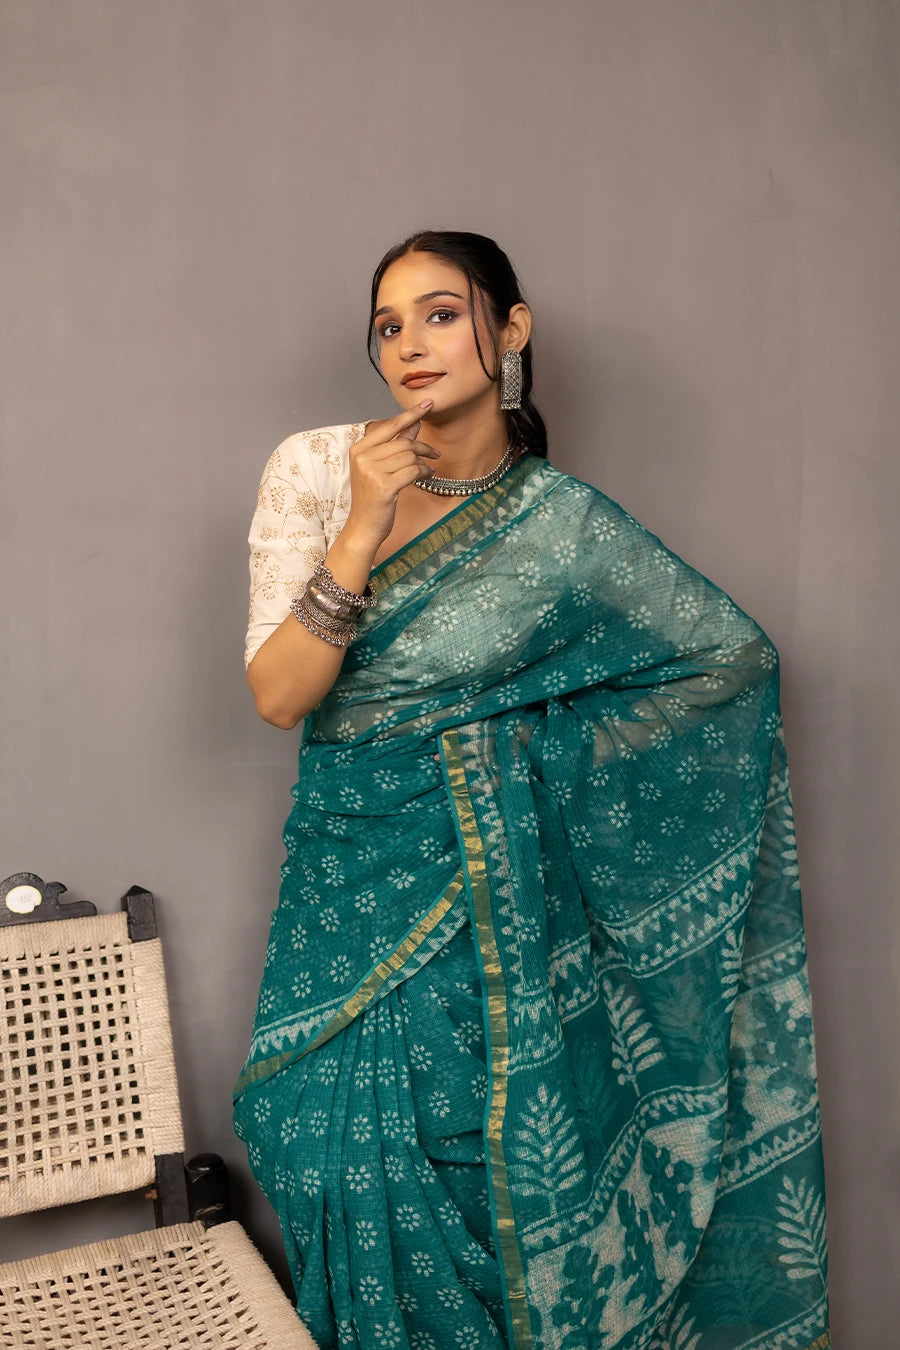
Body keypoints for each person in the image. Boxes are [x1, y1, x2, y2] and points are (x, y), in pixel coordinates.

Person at [232, 230, 829, 1350]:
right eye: (387, 326)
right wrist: (362, 524)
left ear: (511, 329)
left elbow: (730, 661)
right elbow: (280, 695)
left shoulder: (563, 529)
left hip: (482, 922)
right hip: (347, 887)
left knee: (473, 1171)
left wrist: (521, 767)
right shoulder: (317, 468)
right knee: (313, 1144)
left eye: (441, 313)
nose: (410, 345)